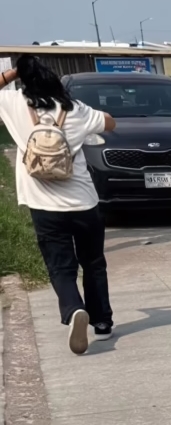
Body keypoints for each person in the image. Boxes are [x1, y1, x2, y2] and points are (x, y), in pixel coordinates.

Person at [0, 55, 116, 355]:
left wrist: (13, 73)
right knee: (93, 263)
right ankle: (102, 323)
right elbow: (110, 123)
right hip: (84, 203)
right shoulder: (75, 109)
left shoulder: (15, 104)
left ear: (23, 78)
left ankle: (74, 309)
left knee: (60, 267)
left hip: (44, 206)